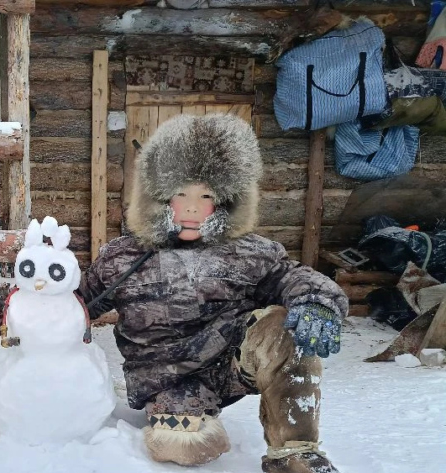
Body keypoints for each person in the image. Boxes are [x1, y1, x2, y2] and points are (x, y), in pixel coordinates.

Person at [78, 114, 348, 473]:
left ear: (226, 202)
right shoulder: (123, 256)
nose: (191, 207)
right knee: (188, 447)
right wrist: (35, 305)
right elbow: (79, 298)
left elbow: (294, 277)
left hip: (231, 362)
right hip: (164, 375)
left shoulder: (250, 252)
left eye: (205, 195)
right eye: (181, 194)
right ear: (158, 197)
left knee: (289, 327)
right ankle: (181, 416)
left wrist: (318, 302)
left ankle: (296, 451)